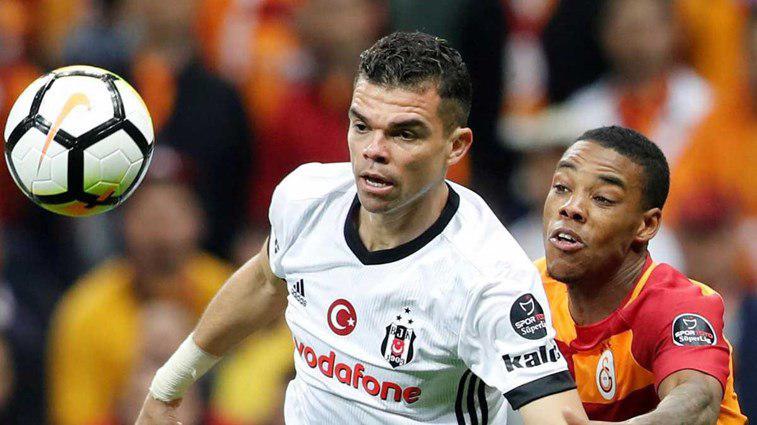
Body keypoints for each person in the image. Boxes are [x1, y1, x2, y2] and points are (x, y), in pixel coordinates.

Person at [136, 32, 587, 424]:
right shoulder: (306, 198)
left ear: (456, 146)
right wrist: (168, 386)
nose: (374, 150)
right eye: (361, 126)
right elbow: (262, 282)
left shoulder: (488, 276)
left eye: (404, 133)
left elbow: (554, 412)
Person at [533, 126, 746, 424]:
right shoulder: (528, 291)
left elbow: (697, 403)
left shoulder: (678, 306)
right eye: (562, 187)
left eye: (603, 198)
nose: (571, 208)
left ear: (646, 225)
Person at [48, 147, 234, 425]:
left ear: (199, 220)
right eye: (148, 215)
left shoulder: (230, 293)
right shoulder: (86, 311)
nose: (161, 232)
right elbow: (74, 417)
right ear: (122, 224)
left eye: (174, 213)